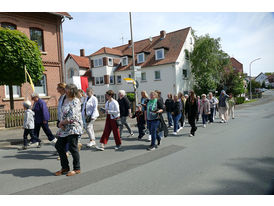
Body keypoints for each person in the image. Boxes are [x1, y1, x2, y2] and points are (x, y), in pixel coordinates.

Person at [55, 84, 83, 176]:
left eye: (67, 90)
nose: (65, 91)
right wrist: (60, 122)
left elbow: (73, 117)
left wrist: (62, 122)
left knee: (72, 147)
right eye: (65, 89)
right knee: (59, 145)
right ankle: (65, 168)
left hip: (73, 127)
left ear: (71, 91)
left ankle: (77, 168)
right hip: (64, 126)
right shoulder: (64, 99)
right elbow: (62, 112)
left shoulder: (76, 101)